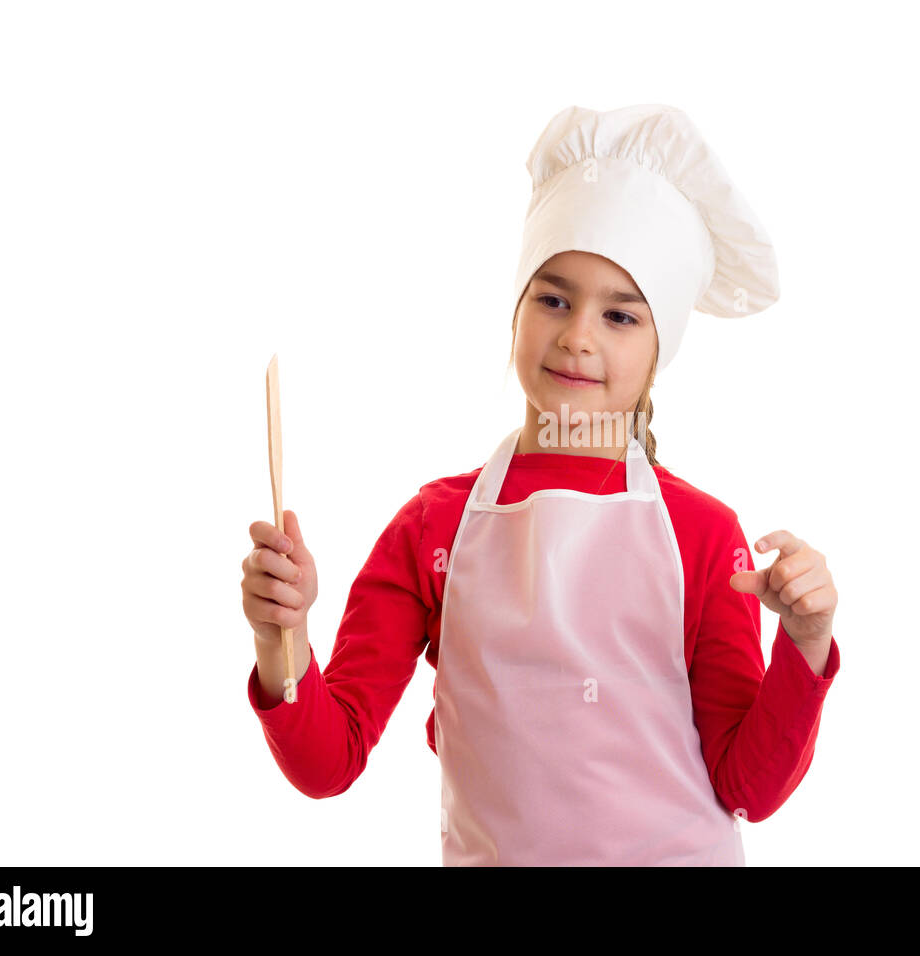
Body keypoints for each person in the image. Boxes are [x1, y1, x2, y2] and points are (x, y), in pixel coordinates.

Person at [240, 104, 842, 866]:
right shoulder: (432, 528)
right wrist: (280, 635)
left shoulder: (703, 534)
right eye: (553, 298)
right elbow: (330, 761)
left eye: (621, 316)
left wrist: (805, 641)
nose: (578, 335)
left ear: (661, 351)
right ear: (517, 309)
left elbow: (749, 786)